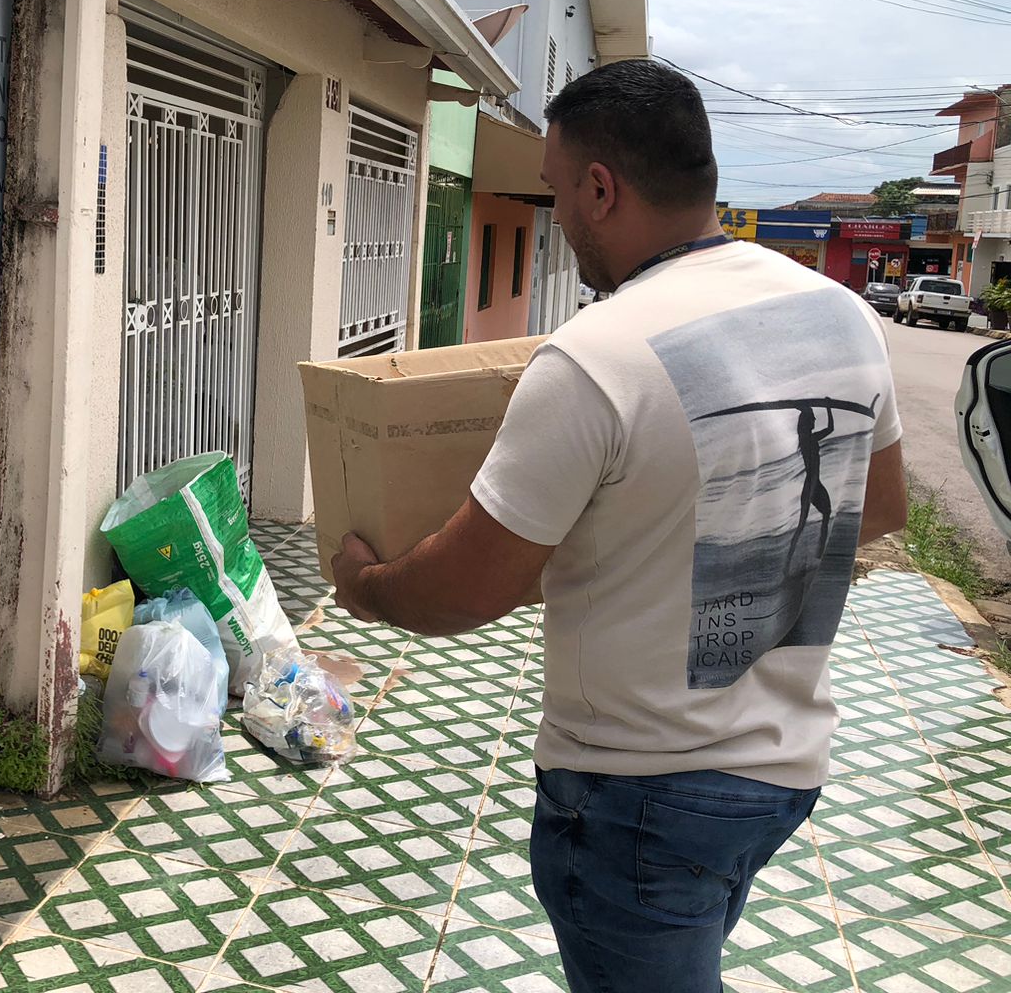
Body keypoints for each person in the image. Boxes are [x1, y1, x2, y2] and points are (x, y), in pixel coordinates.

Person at [330, 60, 906, 993]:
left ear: (602, 188)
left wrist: (363, 586)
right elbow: (877, 507)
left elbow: (459, 593)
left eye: (557, 191)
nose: (556, 216)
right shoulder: (841, 315)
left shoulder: (596, 356)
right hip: (785, 770)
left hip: (640, 795)